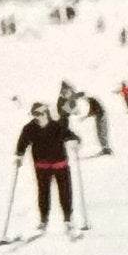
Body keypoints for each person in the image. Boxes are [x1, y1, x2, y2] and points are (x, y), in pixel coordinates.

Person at [17, 97, 82, 233]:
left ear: (46, 113)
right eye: (35, 115)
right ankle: (43, 220)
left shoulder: (57, 126)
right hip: (42, 167)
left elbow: (71, 135)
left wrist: (75, 141)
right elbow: (22, 142)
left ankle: (68, 219)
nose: (38, 117)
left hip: (60, 165)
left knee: (65, 192)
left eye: (40, 114)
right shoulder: (30, 128)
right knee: (43, 193)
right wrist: (19, 155)